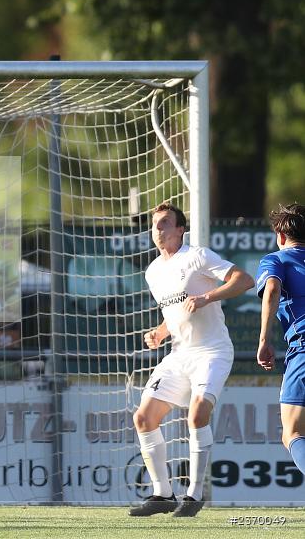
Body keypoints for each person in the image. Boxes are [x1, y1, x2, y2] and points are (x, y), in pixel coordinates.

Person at [130, 202, 254, 517]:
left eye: (165, 222)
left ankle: (194, 495)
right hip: (179, 354)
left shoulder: (198, 256)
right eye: (155, 224)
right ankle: (163, 494)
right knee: (143, 418)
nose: (157, 228)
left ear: (180, 229)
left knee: (197, 414)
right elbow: (174, 313)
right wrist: (160, 333)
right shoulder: (153, 271)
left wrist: (207, 297)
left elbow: (244, 280)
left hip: (212, 351)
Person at [256, 203, 305, 475]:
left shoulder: (277, 259)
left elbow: (272, 289)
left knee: (293, 433)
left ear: (281, 235)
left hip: (303, 349)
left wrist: (264, 339)